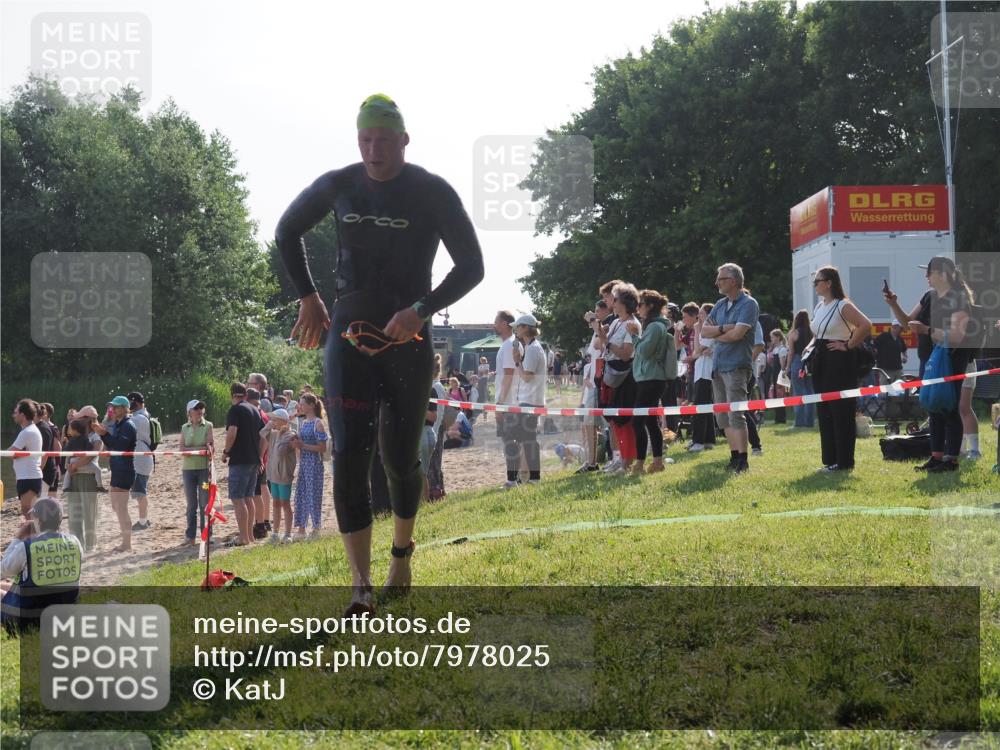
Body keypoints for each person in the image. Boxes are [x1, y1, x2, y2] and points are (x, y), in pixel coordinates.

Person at [276, 94, 484, 615]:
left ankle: (401, 557)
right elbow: (286, 230)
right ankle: (360, 585)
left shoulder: (431, 190)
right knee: (349, 457)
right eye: (365, 140)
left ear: (404, 140)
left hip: (407, 340)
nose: (373, 150)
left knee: (399, 458)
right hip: (347, 338)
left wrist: (422, 309)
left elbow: (472, 265)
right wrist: (308, 296)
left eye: (383, 140)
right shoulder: (339, 184)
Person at [884, 255, 971, 472]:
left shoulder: (959, 298)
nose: (926, 276)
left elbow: (957, 335)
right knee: (933, 408)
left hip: (950, 360)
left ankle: (951, 460)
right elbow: (907, 323)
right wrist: (894, 304)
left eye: (929, 272)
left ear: (942, 275)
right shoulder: (928, 297)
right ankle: (936, 457)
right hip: (928, 359)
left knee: (948, 407)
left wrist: (927, 330)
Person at [806, 266, 872, 472]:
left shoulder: (842, 305)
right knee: (824, 411)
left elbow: (865, 324)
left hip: (839, 362)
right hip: (821, 360)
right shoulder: (820, 306)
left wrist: (848, 345)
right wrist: (809, 347)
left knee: (840, 411)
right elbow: (817, 333)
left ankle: (844, 462)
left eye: (817, 281)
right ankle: (830, 460)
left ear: (829, 283)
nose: (814, 285)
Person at [701, 263, 760, 473]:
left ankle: (743, 460)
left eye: (721, 279)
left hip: (736, 366)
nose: (717, 283)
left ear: (733, 281)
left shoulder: (749, 304)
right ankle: (734, 456)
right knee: (722, 416)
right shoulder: (720, 304)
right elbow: (704, 332)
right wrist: (725, 328)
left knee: (736, 414)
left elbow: (738, 335)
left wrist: (717, 334)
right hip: (718, 366)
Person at [1, 498, 82, 633]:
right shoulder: (75, 542)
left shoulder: (26, 547)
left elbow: (3, 570)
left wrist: (18, 538)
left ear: (38, 521)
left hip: (31, 618)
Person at [596, 283, 641, 475]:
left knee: (624, 420)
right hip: (612, 375)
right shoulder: (615, 322)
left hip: (625, 377)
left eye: (615, 298)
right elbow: (602, 345)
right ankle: (620, 459)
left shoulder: (633, 324)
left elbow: (626, 354)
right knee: (613, 420)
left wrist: (607, 342)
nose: (611, 302)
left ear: (624, 302)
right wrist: (600, 332)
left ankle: (627, 462)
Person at [629, 289, 671, 475]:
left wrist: (634, 336)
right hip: (648, 378)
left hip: (651, 379)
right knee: (650, 423)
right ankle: (657, 462)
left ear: (651, 306)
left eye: (640, 304)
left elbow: (645, 352)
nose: (637, 308)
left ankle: (640, 463)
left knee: (637, 422)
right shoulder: (653, 326)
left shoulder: (655, 327)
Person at [503, 314, 546, 487]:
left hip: (530, 402)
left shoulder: (533, 349)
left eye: (518, 327)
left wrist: (517, 362)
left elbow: (527, 377)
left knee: (516, 438)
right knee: (527, 440)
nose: (516, 330)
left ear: (526, 328)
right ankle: (530, 478)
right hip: (529, 401)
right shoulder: (531, 347)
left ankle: (515, 479)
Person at [221, 383, 264, 546]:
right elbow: (263, 435)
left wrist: (226, 451)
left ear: (232, 395)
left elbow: (232, 432)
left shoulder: (235, 410)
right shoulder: (254, 410)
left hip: (240, 459)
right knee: (248, 497)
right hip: (254, 458)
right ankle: (250, 536)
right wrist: (260, 456)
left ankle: (243, 537)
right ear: (245, 394)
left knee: (238, 499)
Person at [92, 396, 137, 552]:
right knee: (116, 506)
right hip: (118, 469)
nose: (113, 409)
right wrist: (103, 433)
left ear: (125, 408)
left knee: (121, 508)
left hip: (125, 470)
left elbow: (119, 447)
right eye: (112, 407)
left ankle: (127, 544)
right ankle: (125, 542)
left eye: (116, 407)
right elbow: (114, 447)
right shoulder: (119, 424)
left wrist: (104, 434)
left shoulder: (128, 425)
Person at [292, 393, 328, 539]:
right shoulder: (304, 422)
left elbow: (322, 448)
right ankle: (301, 529)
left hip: (314, 464)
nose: (300, 406)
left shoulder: (318, 423)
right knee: (301, 494)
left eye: (302, 403)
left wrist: (302, 445)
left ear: (312, 405)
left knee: (314, 495)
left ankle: (316, 528)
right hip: (304, 463)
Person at [179, 399, 215, 546]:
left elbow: (210, 447)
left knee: (205, 503)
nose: (200, 411)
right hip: (188, 470)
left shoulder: (208, 425)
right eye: (196, 408)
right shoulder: (184, 427)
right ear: (189, 412)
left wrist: (192, 450)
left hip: (204, 470)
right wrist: (198, 449)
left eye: (201, 408)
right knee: (191, 504)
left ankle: (207, 535)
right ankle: (190, 536)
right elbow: (182, 449)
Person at [62, 417, 100, 551]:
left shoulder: (96, 437)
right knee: (74, 512)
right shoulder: (74, 438)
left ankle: (90, 544)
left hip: (87, 476)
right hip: (74, 476)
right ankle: (76, 543)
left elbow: (91, 456)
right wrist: (69, 467)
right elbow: (67, 454)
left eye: (82, 417)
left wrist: (74, 466)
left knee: (89, 512)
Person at [261, 408, 298, 543]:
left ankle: (288, 533)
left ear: (283, 420)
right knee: (275, 503)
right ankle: (275, 533)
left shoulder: (290, 434)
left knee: (285, 503)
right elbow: (262, 433)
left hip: (284, 475)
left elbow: (281, 452)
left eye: (275, 419)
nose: (272, 421)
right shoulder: (273, 433)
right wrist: (269, 426)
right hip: (273, 475)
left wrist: (283, 432)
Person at [685, 303, 717, 452]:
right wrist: (698, 352)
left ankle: (698, 441)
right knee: (706, 406)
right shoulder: (705, 330)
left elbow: (697, 349)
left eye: (702, 313)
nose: (699, 316)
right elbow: (696, 352)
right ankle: (709, 439)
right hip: (700, 372)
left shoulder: (709, 329)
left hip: (706, 372)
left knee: (700, 406)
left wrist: (697, 329)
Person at [9, 399, 44, 518]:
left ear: (22, 415)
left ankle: (36, 531)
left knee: (29, 511)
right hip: (26, 476)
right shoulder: (28, 430)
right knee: (27, 511)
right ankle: (32, 530)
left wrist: (15, 454)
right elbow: (15, 452)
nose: (14, 415)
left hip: (29, 476)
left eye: (16, 412)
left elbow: (11, 452)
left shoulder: (27, 432)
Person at [245, 388, 272, 540]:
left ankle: (261, 524)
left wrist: (260, 457)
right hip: (261, 457)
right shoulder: (261, 413)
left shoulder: (258, 414)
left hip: (259, 458)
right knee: (261, 489)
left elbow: (265, 438)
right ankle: (263, 522)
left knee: (257, 492)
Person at [127, 392, 154, 532]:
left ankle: (143, 521)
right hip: (142, 458)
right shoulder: (143, 416)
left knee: (140, 492)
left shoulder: (138, 419)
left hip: (140, 459)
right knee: (140, 491)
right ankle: (145, 519)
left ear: (135, 403)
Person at [784, 309, 816, 428]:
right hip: (810, 363)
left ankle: (799, 422)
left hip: (798, 361)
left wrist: (787, 367)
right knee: (810, 391)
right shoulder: (812, 332)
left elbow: (791, 352)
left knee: (798, 392)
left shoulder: (793, 333)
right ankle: (809, 422)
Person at [873, 320, 908, 386]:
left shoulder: (900, 338)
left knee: (903, 387)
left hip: (898, 369)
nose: (902, 330)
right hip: (885, 370)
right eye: (901, 328)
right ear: (895, 327)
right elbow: (874, 347)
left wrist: (905, 357)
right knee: (885, 390)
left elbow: (904, 349)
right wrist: (876, 359)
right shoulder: (883, 336)